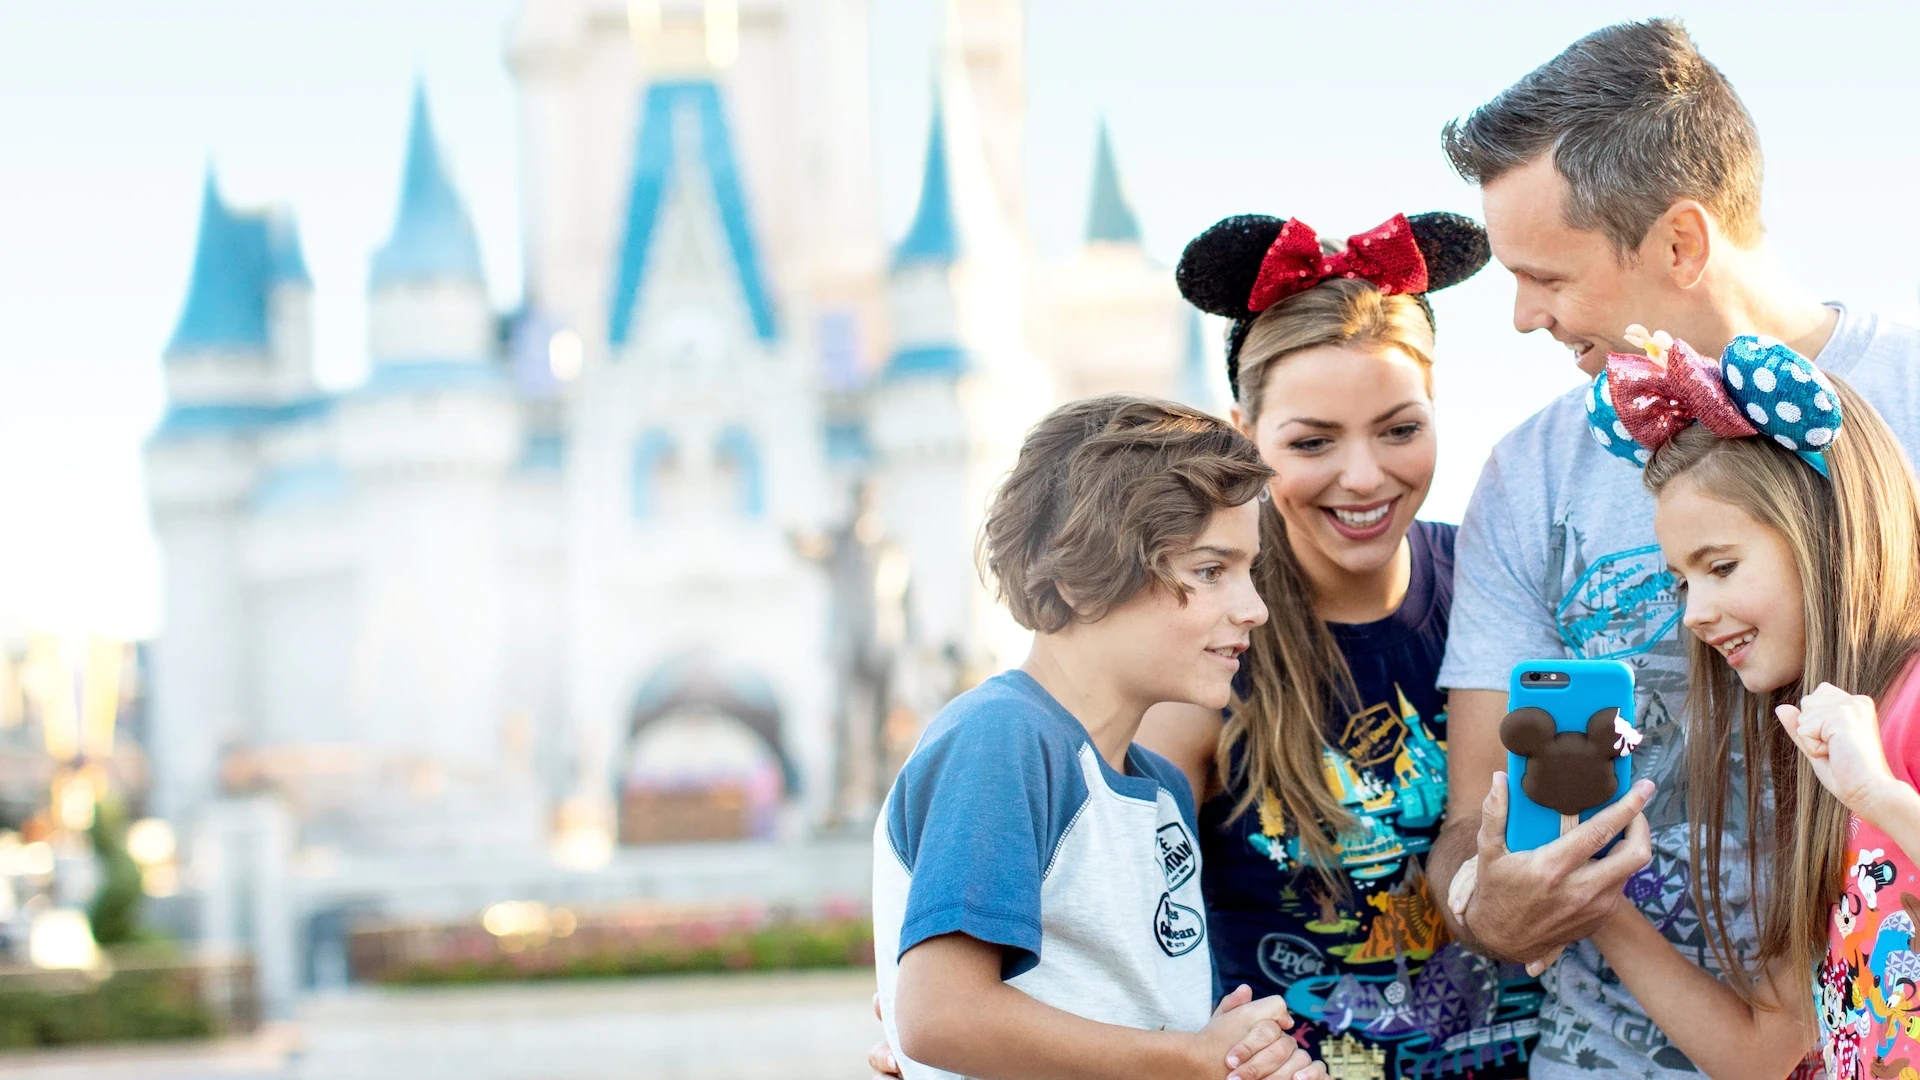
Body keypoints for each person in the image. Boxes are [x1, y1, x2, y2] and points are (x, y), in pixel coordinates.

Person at [1426, 18, 1920, 1078]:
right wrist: (1492, 900)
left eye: (1546, 277)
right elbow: (1470, 833)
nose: (1520, 318)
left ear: (1683, 243)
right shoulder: (1529, 475)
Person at [1146, 209, 1548, 1079]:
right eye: (1312, 442)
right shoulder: (1203, 640)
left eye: (1400, 429)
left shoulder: (1504, 582)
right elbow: (1108, 879)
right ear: (1243, 439)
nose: (1363, 476)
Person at [871, 396, 1327, 1080]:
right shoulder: (1004, 741)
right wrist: (1188, 1060)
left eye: (1248, 572)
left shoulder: (1163, 787)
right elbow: (942, 1017)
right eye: (1210, 571)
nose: (1254, 608)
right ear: (1082, 577)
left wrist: (1231, 1056)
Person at [1557, 329, 1920, 1078]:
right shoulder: (1824, 738)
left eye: (1720, 566)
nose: (1694, 613)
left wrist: (1879, 796)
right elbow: (1763, 1053)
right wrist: (1591, 894)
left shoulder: (1905, 709)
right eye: (1683, 582)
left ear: (1828, 533)